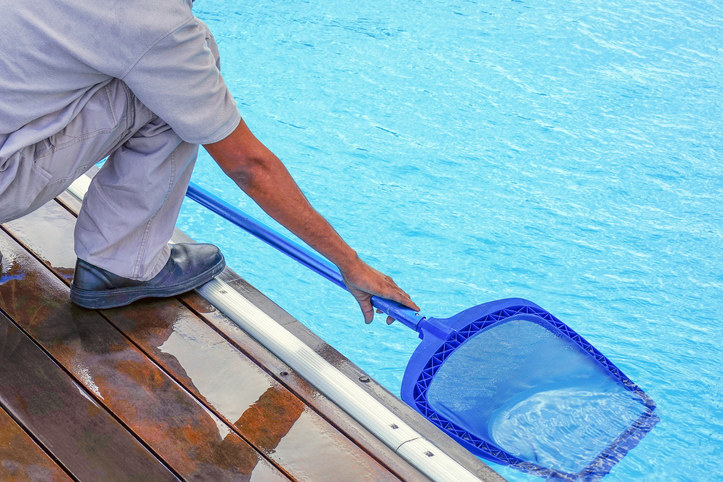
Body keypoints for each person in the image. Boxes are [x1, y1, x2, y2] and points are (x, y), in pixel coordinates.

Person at [0, 0, 419, 323]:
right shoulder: (153, 21)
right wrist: (350, 263)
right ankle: (121, 262)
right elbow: (248, 166)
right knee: (176, 84)